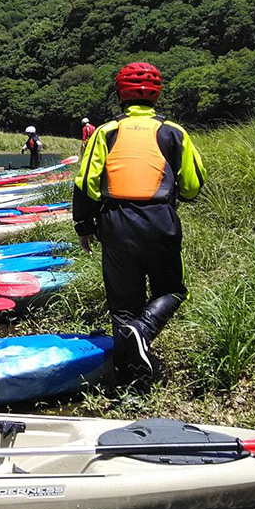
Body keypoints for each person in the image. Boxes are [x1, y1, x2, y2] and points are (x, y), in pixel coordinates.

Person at [72, 62, 206, 384]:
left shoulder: (106, 132)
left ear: (120, 96)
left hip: (116, 223)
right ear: (156, 96)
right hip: (161, 222)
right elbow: (192, 187)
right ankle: (142, 331)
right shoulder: (174, 133)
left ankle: (129, 380)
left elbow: (86, 183)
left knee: (123, 306)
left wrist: (84, 226)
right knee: (172, 290)